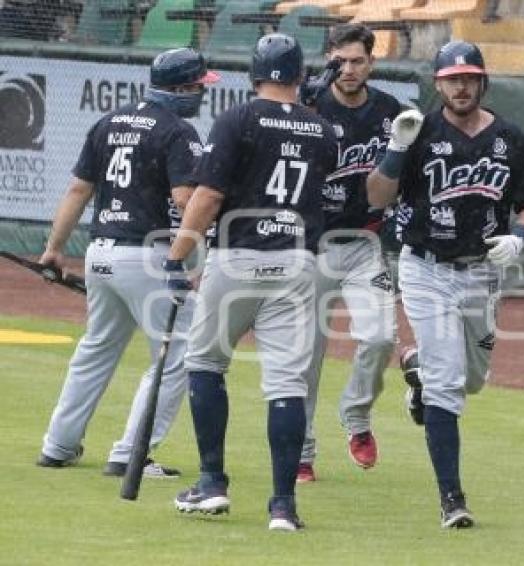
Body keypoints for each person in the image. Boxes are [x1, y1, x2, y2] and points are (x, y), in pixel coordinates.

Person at [366, 40, 524, 528]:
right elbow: (376, 197)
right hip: (425, 268)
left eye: (469, 77)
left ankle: (418, 378)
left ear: (482, 80)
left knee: (472, 380)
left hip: (481, 272)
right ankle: (452, 498)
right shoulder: (419, 133)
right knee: (449, 386)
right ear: (438, 84)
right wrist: (395, 151)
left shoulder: (510, 139)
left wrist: (519, 236)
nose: (461, 86)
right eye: (452, 79)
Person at [167, 33, 338, 531]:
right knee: (286, 382)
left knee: (204, 362)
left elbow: (206, 197)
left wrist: (178, 255)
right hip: (297, 262)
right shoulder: (322, 129)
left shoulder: (237, 118)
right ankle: (283, 505)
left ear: (254, 73)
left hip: (238, 255)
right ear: (302, 76)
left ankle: (212, 483)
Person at [36, 48, 219, 477]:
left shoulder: (110, 121)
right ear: (180, 88)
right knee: (179, 353)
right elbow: (184, 200)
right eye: (197, 86)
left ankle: (58, 445)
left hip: (101, 253)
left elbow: (78, 191)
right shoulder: (178, 130)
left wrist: (53, 250)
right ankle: (131, 454)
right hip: (149, 256)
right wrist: (204, 248)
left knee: (96, 349)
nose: (201, 94)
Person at [294, 23, 400, 483]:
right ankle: (300, 451)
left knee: (379, 338)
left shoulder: (390, 111)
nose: (350, 69)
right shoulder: (309, 105)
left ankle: (356, 417)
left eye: (359, 61)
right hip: (311, 246)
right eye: (342, 60)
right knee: (305, 356)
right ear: (330, 59)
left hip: (364, 243)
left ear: (372, 63)